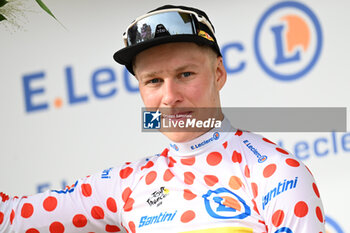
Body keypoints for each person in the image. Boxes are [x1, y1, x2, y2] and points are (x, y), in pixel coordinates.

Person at [0, 5, 325, 233]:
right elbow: (11, 219)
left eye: (185, 74)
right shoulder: (124, 185)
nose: (169, 96)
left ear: (219, 73)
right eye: (153, 81)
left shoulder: (275, 171)